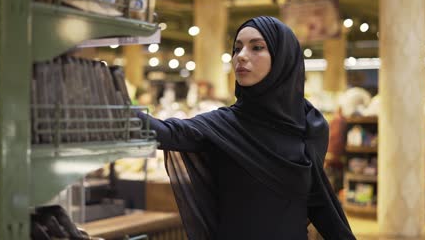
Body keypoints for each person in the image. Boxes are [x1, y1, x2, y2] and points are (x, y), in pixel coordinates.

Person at [138, 16, 355, 240]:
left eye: (257, 47)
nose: (241, 56)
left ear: (283, 58)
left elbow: (317, 199)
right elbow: (169, 132)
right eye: (237, 48)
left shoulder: (310, 126)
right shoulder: (223, 125)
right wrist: (110, 107)